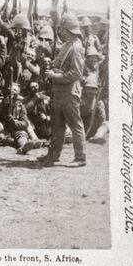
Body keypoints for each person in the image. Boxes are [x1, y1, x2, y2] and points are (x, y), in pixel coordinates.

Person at [39, 13, 86, 167]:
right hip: (60, 92)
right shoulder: (67, 45)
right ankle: (53, 155)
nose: (60, 32)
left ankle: (80, 158)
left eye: (63, 29)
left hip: (70, 92)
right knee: (57, 125)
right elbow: (61, 65)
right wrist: (52, 68)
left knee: (75, 124)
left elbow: (76, 73)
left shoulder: (76, 47)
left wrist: (55, 75)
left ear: (69, 30)